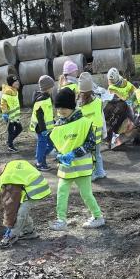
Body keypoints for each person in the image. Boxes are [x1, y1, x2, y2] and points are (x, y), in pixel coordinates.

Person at [49, 88, 105, 231]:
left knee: (86, 194)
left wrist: (74, 154)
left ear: (72, 106)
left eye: (64, 108)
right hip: (66, 166)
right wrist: (58, 154)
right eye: (58, 108)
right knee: (61, 192)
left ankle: (98, 217)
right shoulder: (58, 124)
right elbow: (58, 145)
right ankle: (61, 220)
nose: (61, 111)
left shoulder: (84, 122)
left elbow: (91, 143)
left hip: (82, 166)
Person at [0, 160, 51, 248]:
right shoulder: (2, 171)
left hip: (35, 189)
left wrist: (9, 224)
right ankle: (29, 232)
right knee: (20, 209)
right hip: (33, 184)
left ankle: (12, 236)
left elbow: (11, 207)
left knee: (20, 212)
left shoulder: (5, 181)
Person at [77, 72, 107, 180]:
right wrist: (104, 133)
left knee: (89, 156)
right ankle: (100, 172)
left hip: (86, 136)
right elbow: (102, 119)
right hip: (97, 135)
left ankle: (92, 174)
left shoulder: (79, 106)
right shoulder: (98, 102)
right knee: (97, 154)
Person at [30, 75, 56, 171]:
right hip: (41, 128)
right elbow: (39, 116)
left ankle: (40, 158)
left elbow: (48, 114)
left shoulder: (47, 97)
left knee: (50, 145)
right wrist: (43, 129)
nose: (53, 88)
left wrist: (53, 121)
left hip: (47, 127)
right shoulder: (41, 100)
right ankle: (40, 163)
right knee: (42, 144)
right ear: (48, 87)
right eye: (52, 86)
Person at [1, 75, 23, 152]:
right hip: (9, 116)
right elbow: (3, 104)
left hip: (15, 116)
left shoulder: (15, 91)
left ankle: (9, 141)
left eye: (17, 81)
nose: (17, 82)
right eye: (15, 81)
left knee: (19, 128)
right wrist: (4, 113)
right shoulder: (7, 92)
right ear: (11, 83)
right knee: (11, 131)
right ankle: (10, 146)